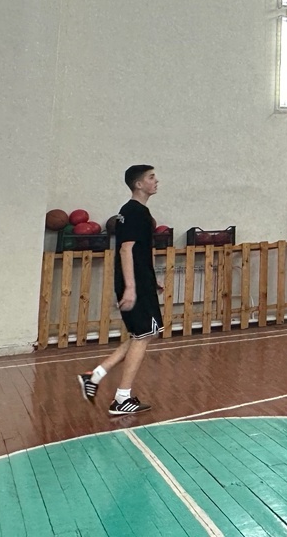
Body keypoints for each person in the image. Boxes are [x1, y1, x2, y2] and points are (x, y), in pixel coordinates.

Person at [76, 164, 163, 416]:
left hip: (141, 281)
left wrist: (151, 280)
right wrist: (131, 288)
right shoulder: (134, 211)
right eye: (151, 177)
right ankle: (122, 399)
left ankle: (94, 376)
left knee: (142, 334)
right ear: (139, 184)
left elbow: (140, 251)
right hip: (134, 282)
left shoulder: (135, 211)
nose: (156, 181)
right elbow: (126, 250)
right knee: (143, 336)